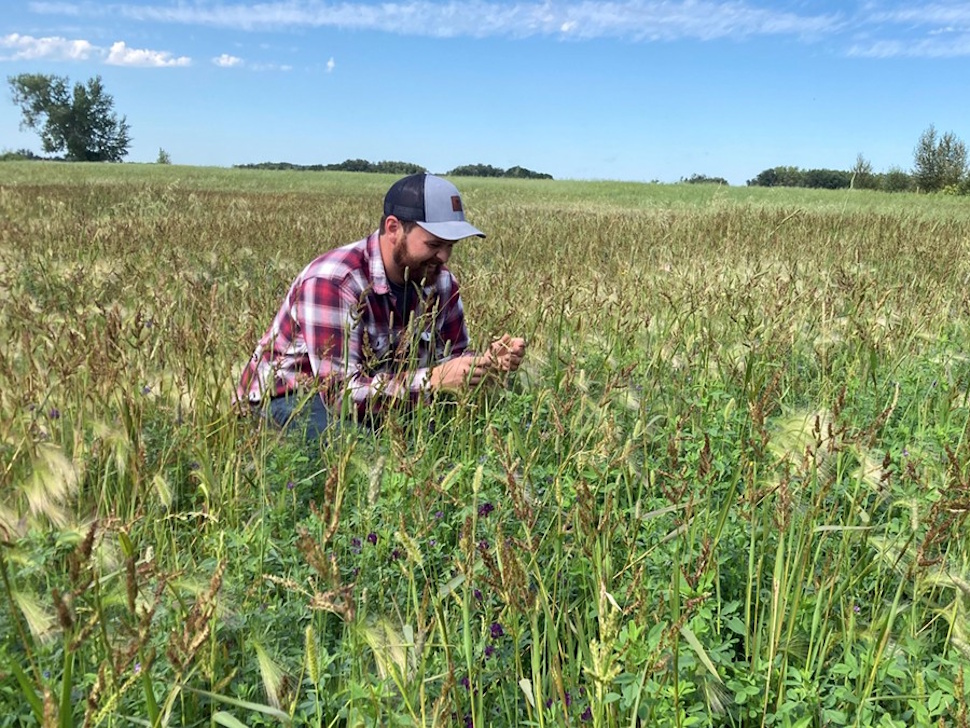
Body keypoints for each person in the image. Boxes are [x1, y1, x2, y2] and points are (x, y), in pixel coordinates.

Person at [237, 173, 527, 440]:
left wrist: (485, 363)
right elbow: (339, 395)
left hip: (376, 395)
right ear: (393, 228)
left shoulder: (440, 282)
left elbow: (453, 357)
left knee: (463, 431)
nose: (444, 257)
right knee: (365, 450)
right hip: (289, 397)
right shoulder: (335, 281)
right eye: (434, 244)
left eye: (451, 245)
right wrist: (433, 380)